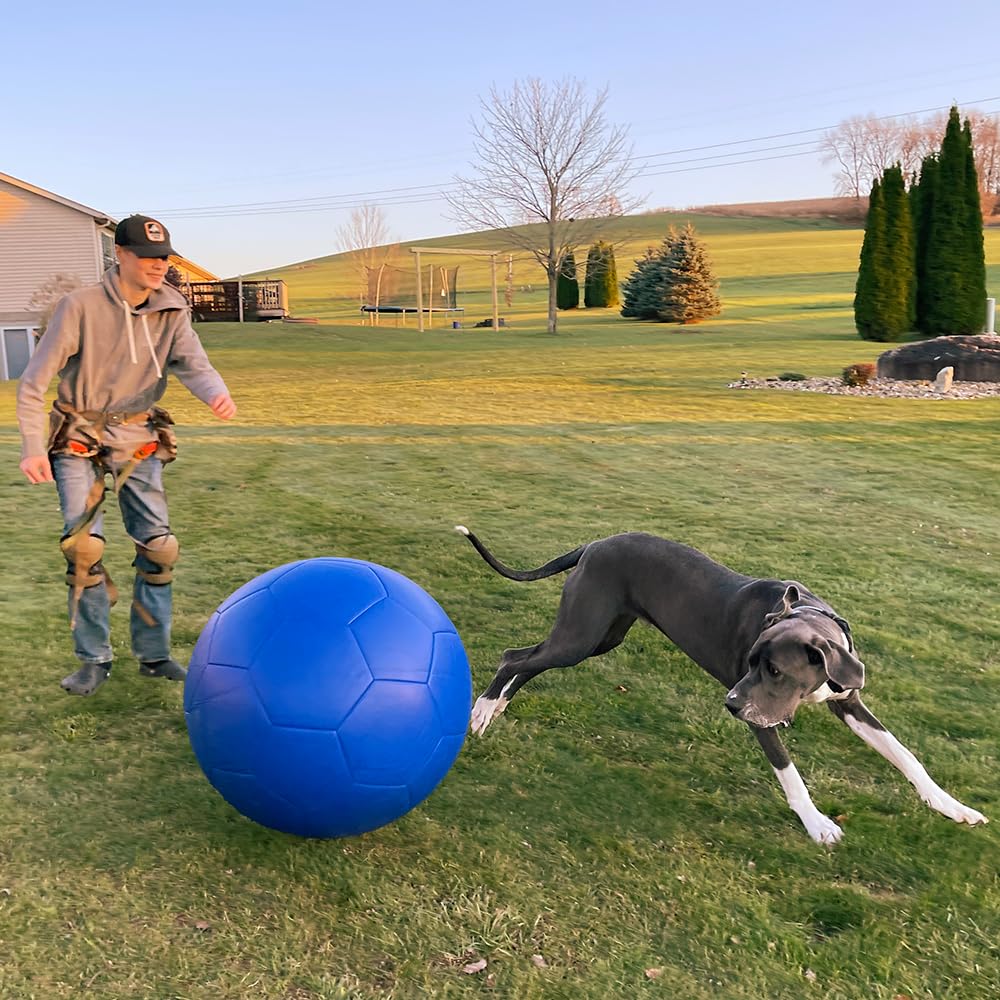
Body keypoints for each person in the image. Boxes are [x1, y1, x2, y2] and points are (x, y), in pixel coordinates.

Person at [16, 214, 237, 696]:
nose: (159, 266)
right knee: (83, 551)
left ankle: (154, 655)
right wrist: (33, 447)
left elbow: (194, 365)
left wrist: (215, 392)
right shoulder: (79, 307)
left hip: (139, 436)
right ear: (121, 254)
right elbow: (34, 382)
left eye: (164, 257)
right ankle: (93, 659)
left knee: (160, 548)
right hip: (80, 438)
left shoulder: (172, 308)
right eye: (148, 256)